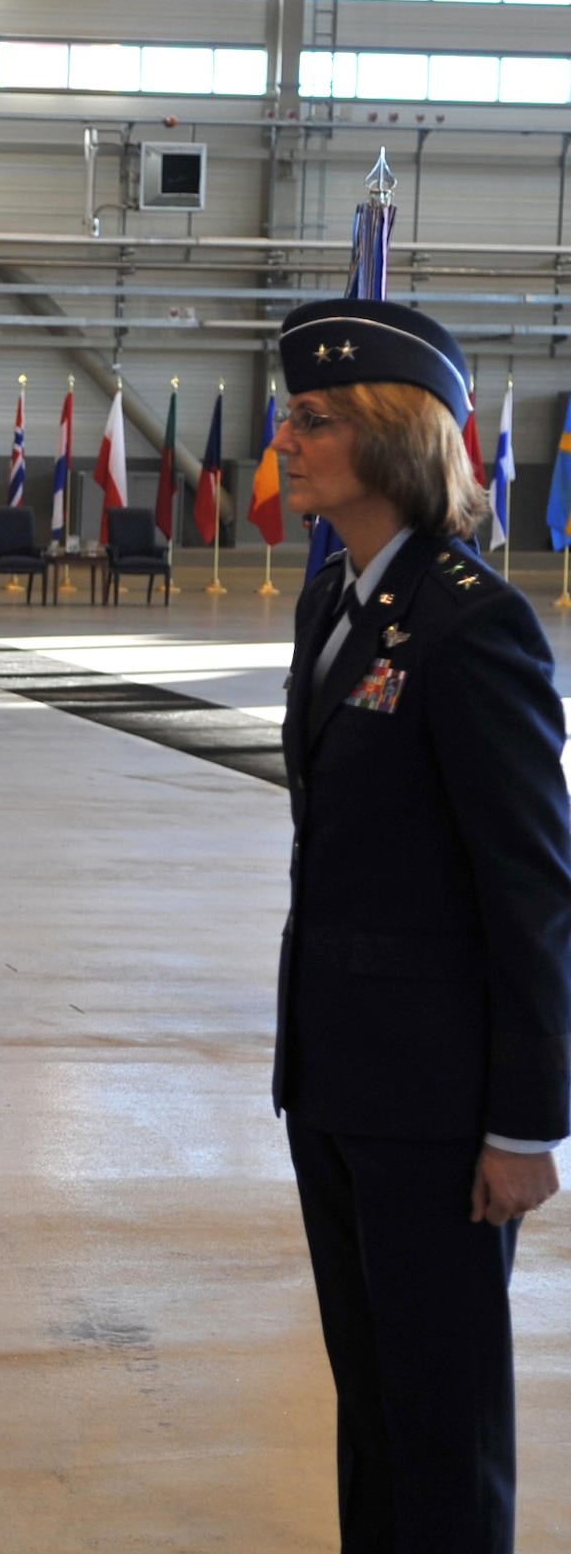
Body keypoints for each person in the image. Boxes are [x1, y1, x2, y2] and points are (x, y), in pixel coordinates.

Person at [274, 291, 569, 1553]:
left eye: (314, 420)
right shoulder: (334, 602)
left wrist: (525, 1122)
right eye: (288, 416)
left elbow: (532, 889)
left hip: (439, 1106)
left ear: (392, 440)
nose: (282, 440)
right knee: (374, 1404)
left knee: (441, 1416)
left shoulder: (469, 623)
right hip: (337, 1083)